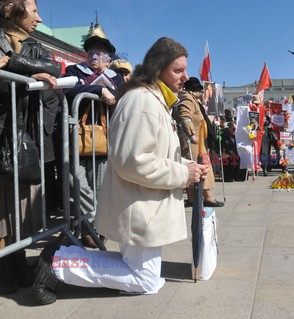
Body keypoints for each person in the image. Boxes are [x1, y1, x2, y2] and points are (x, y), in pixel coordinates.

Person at [32, 36, 209, 305]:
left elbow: (154, 155)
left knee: (144, 275)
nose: (185, 76)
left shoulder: (153, 99)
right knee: (146, 280)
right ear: (158, 67)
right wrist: (184, 174)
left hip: (145, 204)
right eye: (178, 70)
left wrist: (188, 166)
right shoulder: (143, 101)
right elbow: (132, 161)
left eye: (185, 69)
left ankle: (63, 258)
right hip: (140, 207)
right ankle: (59, 263)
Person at [0, 0, 61, 294]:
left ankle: (17, 263)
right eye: (33, 10)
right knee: (3, 208)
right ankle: (6, 269)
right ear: (15, 9)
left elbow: (51, 67)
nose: (39, 16)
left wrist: (12, 64)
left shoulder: (33, 45)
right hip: (3, 131)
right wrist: (27, 75)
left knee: (19, 207)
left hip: (25, 137)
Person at [62, 35, 124, 248]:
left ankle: (95, 231)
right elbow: (68, 91)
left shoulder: (117, 78)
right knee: (74, 180)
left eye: (100, 53)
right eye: (91, 53)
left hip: (105, 139)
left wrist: (110, 91)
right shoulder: (74, 71)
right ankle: (97, 219)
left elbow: (123, 97)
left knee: (99, 186)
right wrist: (99, 90)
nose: (94, 57)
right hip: (78, 136)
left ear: (109, 59)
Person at [173, 77, 224, 207]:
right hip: (194, 141)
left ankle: (192, 198)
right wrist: (191, 134)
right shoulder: (188, 99)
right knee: (201, 168)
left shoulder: (192, 99)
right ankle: (208, 198)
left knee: (194, 169)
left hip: (198, 141)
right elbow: (185, 116)